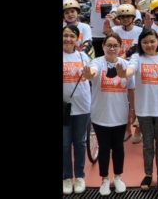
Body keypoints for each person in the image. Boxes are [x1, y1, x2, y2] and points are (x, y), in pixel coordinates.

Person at [121, 28, 158, 190]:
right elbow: (131, 69)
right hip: (144, 108)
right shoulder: (137, 57)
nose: (149, 44)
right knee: (147, 144)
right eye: (145, 42)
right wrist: (125, 72)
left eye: (152, 41)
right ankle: (147, 174)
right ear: (140, 43)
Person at [82, 32, 132, 196]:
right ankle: (104, 179)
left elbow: (131, 90)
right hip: (100, 114)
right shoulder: (96, 62)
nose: (112, 48)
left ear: (120, 47)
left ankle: (117, 177)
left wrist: (132, 112)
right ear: (103, 47)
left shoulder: (125, 64)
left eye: (115, 45)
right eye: (108, 45)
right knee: (104, 148)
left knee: (118, 147)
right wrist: (89, 74)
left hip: (120, 114)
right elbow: (92, 72)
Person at [63, 25, 92, 195]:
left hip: (82, 106)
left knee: (80, 143)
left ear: (77, 39)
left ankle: (80, 176)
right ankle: (66, 177)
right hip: (64, 108)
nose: (68, 39)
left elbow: (91, 77)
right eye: (65, 35)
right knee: (65, 144)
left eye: (71, 36)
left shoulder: (83, 57)